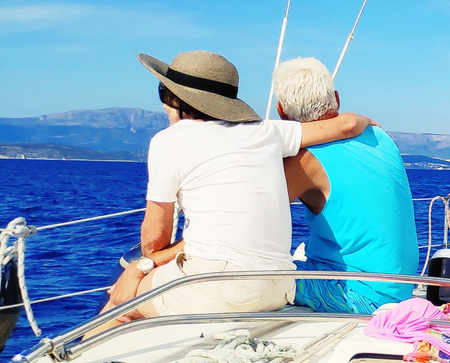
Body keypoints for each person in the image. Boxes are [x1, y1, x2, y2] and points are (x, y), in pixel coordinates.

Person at [89, 50, 375, 336]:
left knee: (119, 306)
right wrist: (370, 124)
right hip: (280, 287)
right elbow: (347, 124)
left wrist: (140, 268)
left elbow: (154, 239)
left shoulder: (167, 141)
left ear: (178, 100)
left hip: (222, 287)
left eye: (165, 93)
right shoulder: (268, 132)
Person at [274, 57, 418, 314]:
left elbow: (252, 212)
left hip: (359, 296)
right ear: (337, 99)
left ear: (281, 111)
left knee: (253, 275)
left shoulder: (304, 161)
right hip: (400, 289)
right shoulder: (380, 135)